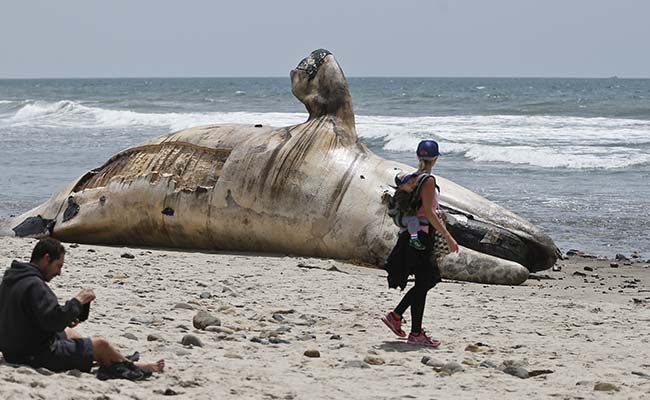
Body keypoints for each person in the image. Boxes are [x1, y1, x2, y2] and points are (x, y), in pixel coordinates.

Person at [0, 238, 164, 379]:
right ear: (46, 258)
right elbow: (53, 321)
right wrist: (78, 301)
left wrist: (68, 316)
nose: (59, 272)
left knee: (69, 332)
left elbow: (33, 316)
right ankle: (131, 365)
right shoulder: (35, 285)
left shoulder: (13, 277)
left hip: (14, 349)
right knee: (101, 344)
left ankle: (108, 357)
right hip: (33, 355)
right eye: (58, 266)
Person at [382, 139, 459, 347]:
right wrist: (449, 237)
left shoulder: (412, 178)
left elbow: (422, 209)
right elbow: (430, 213)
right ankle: (411, 329)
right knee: (426, 281)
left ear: (418, 157)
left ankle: (399, 318)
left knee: (425, 282)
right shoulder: (428, 180)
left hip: (410, 236)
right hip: (421, 238)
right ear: (436, 158)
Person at [393, 171, 426, 251]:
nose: (412, 185)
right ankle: (414, 239)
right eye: (408, 183)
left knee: (406, 230)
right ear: (401, 187)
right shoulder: (401, 195)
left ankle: (404, 235)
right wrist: (415, 213)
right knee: (413, 220)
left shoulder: (408, 191)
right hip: (399, 217)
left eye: (413, 182)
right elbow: (404, 207)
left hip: (402, 216)